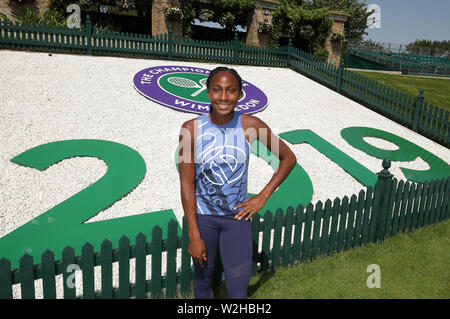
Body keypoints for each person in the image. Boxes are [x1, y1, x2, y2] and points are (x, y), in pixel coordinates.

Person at [178, 66, 296, 299]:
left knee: (237, 290)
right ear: (208, 92)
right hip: (203, 219)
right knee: (202, 286)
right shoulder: (190, 129)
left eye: (231, 91)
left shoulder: (251, 126)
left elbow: (288, 158)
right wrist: (193, 233)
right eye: (217, 90)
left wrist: (262, 197)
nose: (224, 97)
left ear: (240, 94)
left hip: (237, 220)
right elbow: (186, 182)